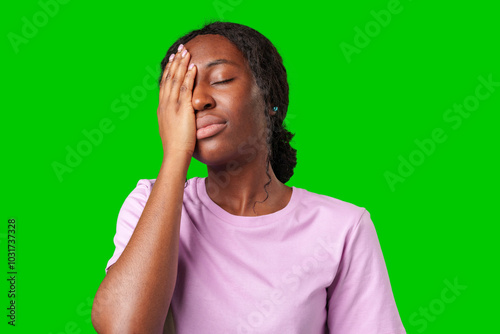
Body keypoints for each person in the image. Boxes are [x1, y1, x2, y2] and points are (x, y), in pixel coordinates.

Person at [91, 21, 406, 334]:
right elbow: (123, 329)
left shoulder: (342, 228)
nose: (199, 101)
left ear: (270, 98)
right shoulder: (149, 202)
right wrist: (176, 156)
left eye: (222, 79)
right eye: (184, 89)